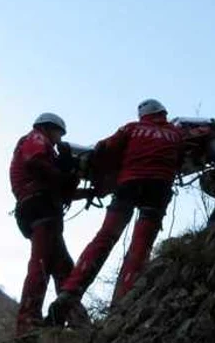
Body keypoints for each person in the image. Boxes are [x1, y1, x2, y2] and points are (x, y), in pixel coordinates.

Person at [47, 99, 184, 325]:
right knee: (141, 245)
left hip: (128, 185)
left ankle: (70, 291)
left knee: (106, 237)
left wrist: (102, 177)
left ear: (143, 116)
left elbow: (105, 148)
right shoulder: (176, 134)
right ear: (163, 113)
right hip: (158, 189)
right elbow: (180, 160)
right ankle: (123, 302)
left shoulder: (131, 128)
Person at [10, 112, 89, 337]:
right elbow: (39, 165)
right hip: (40, 206)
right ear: (47, 128)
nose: (59, 139)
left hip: (41, 207)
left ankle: (78, 321)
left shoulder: (45, 150)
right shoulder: (36, 139)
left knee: (63, 268)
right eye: (58, 133)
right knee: (42, 263)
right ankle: (28, 321)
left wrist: (84, 190)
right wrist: (66, 172)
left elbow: (60, 187)